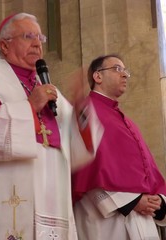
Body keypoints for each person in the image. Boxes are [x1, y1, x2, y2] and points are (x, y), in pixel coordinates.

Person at [0, 12, 101, 240]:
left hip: (51, 200)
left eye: (40, 38)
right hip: (1, 196)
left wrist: (81, 110)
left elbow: (78, 149)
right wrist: (30, 106)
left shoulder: (51, 90)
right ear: (4, 45)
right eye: (28, 36)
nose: (37, 44)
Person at [72, 54, 166, 240]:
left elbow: (148, 171)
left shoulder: (127, 122)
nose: (124, 75)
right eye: (117, 69)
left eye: (125, 71)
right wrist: (131, 201)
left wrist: (159, 200)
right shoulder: (84, 113)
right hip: (106, 219)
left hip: (142, 218)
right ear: (97, 76)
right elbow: (84, 169)